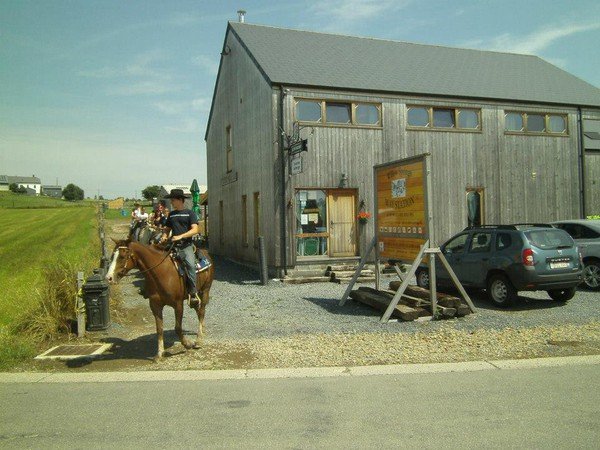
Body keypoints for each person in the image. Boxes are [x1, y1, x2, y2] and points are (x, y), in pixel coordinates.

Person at [160, 189, 201, 307]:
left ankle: (193, 292)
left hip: (186, 246)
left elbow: (195, 229)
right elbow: (167, 229)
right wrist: (163, 236)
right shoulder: (171, 215)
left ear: (180, 200)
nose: (171, 202)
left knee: (190, 265)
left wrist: (180, 236)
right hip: (172, 245)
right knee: (157, 259)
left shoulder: (190, 213)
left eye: (173, 200)